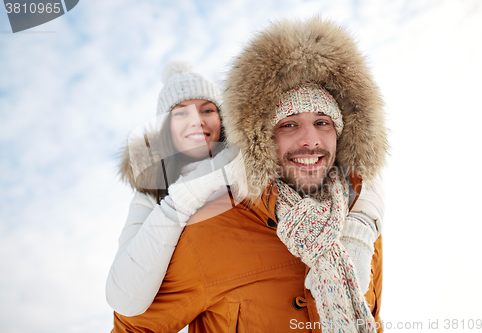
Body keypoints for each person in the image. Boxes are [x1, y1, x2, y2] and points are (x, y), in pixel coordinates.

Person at [112, 17, 387, 333]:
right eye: (288, 124)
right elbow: (131, 320)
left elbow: (373, 319)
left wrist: (362, 227)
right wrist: (179, 199)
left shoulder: (361, 226)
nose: (311, 139)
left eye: (323, 122)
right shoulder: (208, 228)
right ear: (260, 137)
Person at [106, 61, 246, 317]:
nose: (197, 121)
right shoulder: (151, 191)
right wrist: (181, 200)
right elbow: (123, 298)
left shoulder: (250, 170)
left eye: (207, 110)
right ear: (166, 126)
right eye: (181, 113)